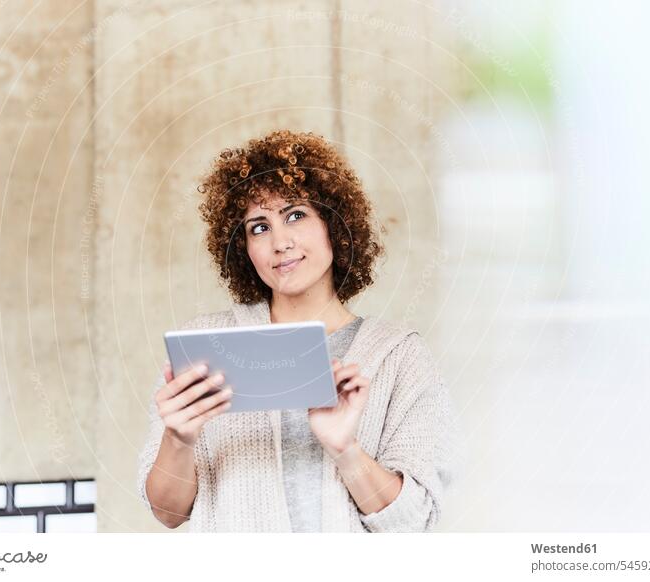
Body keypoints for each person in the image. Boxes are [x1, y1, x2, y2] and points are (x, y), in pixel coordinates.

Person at [137, 129, 458, 532]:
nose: (280, 242)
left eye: (295, 215)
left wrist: (345, 449)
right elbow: (168, 513)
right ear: (243, 249)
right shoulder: (206, 346)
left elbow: (416, 521)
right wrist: (179, 440)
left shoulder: (399, 356)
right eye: (258, 227)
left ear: (333, 225)